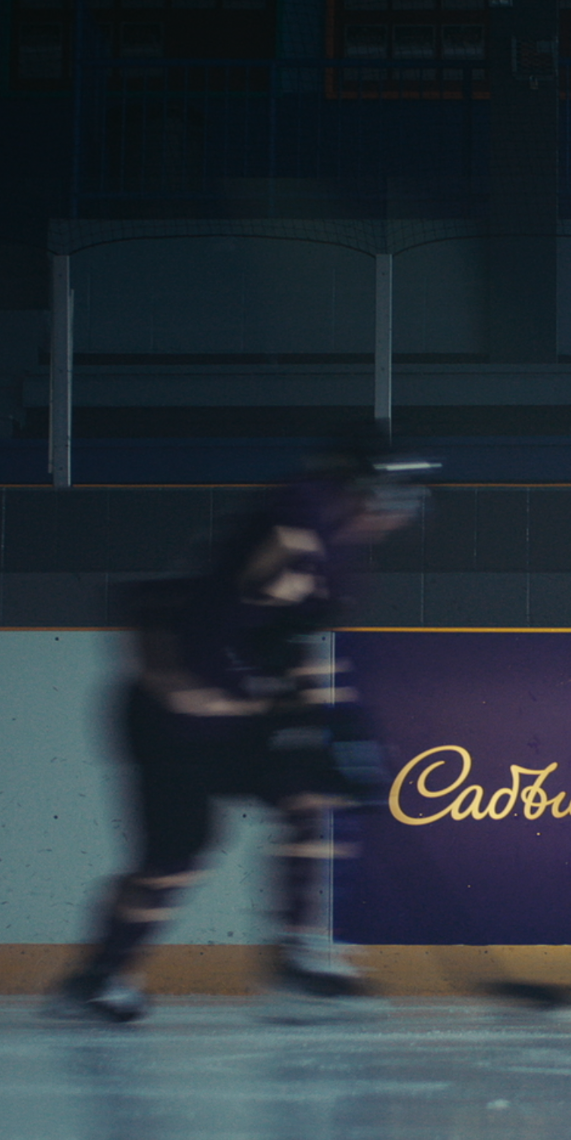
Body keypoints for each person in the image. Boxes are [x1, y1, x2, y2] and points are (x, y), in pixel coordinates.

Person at [47, 432, 426, 1023]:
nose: (388, 519)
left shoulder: (335, 567)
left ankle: (297, 954)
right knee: (176, 857)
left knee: (312, 793)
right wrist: (172, 680)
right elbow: (154, 610)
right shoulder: (293, 524)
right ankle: (98, 975)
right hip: (174, 730)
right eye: (385, 500)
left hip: (241, 722)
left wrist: (340, 722)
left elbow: (299, 644)